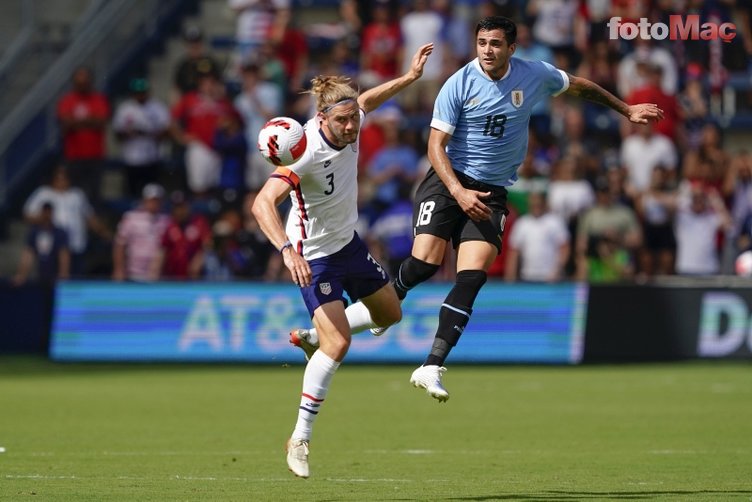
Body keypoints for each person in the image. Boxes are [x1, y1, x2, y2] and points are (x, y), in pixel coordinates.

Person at [251, 43, 434, 479]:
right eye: (342, 120)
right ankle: (300, 437)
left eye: (354, 117)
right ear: (321, 119)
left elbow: (369, 100)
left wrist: (409, 78)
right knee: (339, 346)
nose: (352, 126)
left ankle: (314, 334)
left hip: (348, 244)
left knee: (390, 315)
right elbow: (262, 204)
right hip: (313, 257)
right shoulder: (304, 153)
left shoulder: (353, 116)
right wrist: (287, 250)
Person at [112, 184, 170, 282]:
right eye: (151, 200)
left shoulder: (166, 220)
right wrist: (119, 269)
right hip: (133, 274)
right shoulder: (131, 218)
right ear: (145, 201)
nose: (154, 203)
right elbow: (120, 245)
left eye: (157, 200)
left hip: (156, 275)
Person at [13, 202, 70, 286]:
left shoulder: (59, 233)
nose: (46, 215)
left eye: (49, 213)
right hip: (39, 271)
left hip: (54, 271)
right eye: (45, 212)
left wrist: (63, 273)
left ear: (52, 213)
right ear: (41, 213)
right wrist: (22, 274)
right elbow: (28, 254)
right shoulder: (34, 232)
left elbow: (63, 254)